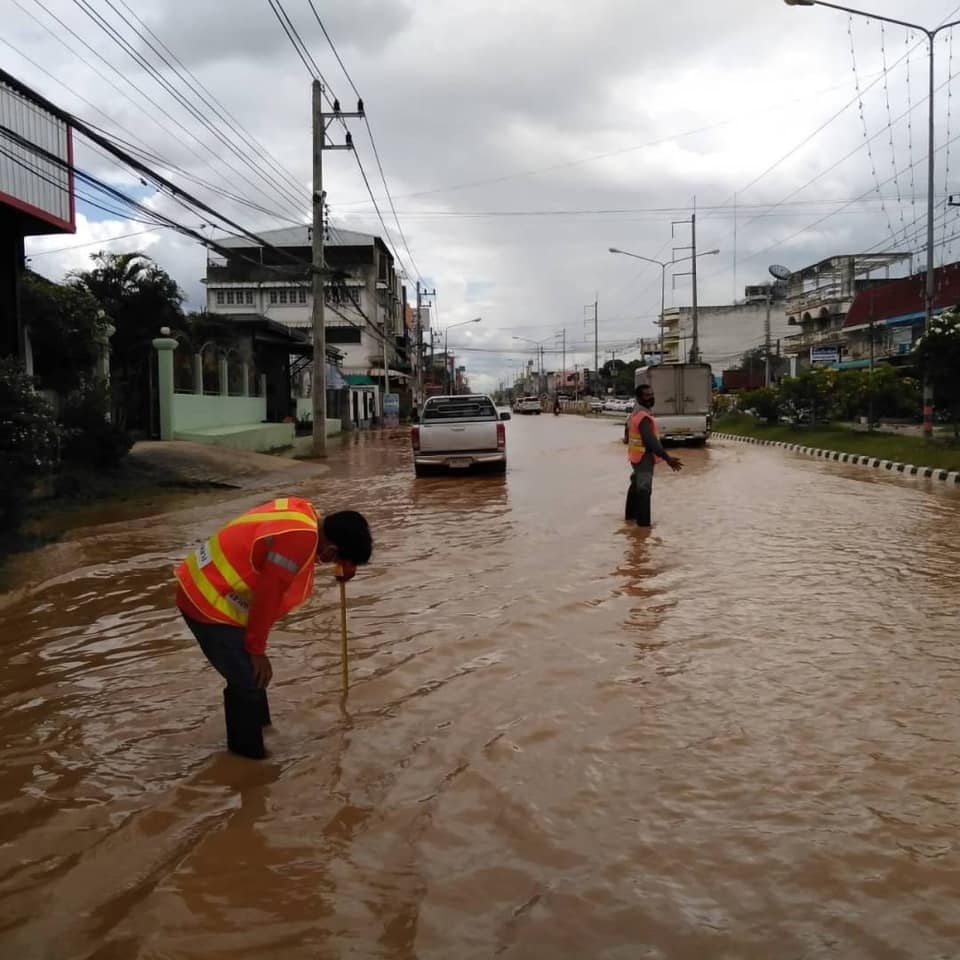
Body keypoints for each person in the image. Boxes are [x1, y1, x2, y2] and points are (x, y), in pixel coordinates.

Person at [175, 497, 373, 759]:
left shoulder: (304, 513)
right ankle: (248, 759)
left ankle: (263, 731)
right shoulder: (297, 543)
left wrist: (344, 565)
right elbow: (266, 598)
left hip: (204, 579)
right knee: (247, 678)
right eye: (336, 559)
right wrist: (256, 650)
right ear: (331, 551)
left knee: (256, 675)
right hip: (205, 599)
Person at [625, 383, 683, 527]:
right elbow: (650, 441)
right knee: (644, 490)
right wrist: (667, 458)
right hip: (644, 457)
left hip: (635, 456)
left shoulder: (635, 413)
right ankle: (643, 528)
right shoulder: (643, 417)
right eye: (647, 395)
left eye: (652, 394)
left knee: (636, 485)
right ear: (639, 397)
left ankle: (630, 520)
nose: (650, 397)